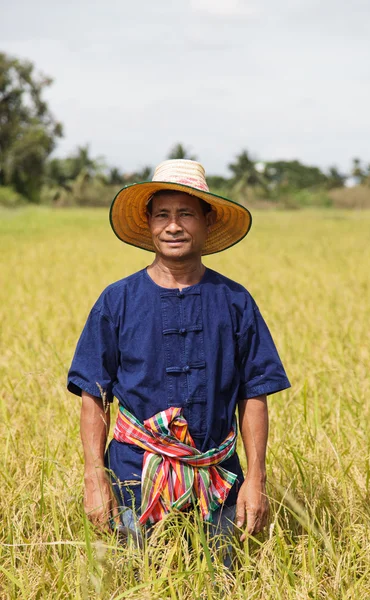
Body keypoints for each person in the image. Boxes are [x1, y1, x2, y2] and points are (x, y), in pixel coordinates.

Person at [67, 159, 290, 557]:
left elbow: (254, 394)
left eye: (186, 214)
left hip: (219, 480)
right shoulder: (117, 301)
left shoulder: (235, 302)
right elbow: (93, 394)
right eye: (163, 215)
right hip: (134, 478)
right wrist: (94, 477)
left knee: (222, 580)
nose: (174, 226)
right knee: (140, 579)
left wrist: (256, 478)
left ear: (206, 222)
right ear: (150, 222)